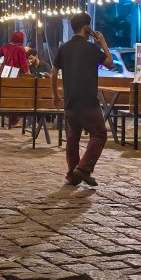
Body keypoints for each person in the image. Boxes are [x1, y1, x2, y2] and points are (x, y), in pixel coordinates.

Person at [51, 12, 114, 187]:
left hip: (70, 100)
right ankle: (84, 168)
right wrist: (102, 42)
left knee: (72, 137)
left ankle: (73, 173)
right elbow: (110, 63)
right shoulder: (92, 48)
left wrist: (55, 95)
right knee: (100, 134)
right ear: (87, 27)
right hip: (88, 100)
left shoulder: (64, 48)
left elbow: (54, 72)